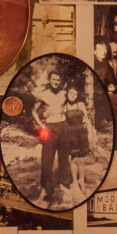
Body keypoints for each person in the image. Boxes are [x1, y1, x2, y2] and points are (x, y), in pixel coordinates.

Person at [32, 70, 73, 205]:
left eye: (58, 80)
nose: (56, 82)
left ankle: (64, 185)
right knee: (47, 159)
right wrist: (42, 126)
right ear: (49, 80)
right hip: (49, 128)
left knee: (64, 158)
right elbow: (34, 112)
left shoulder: (64, 93)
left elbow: (71, 104)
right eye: (53, 79)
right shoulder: (42, 95)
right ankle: (46, 188)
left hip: (63, 126)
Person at [63, 87, 94, 200]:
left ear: (77, 95)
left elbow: (86, 118)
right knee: (74, 159)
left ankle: (82, 181)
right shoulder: (64, 106)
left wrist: (89, 132)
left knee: (83, 159)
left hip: (82, 134)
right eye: (71, 93)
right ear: (67, 93)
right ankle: (75, 182)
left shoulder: (80, 104)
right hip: (71, 135)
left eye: (75, 93)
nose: (73, 95)